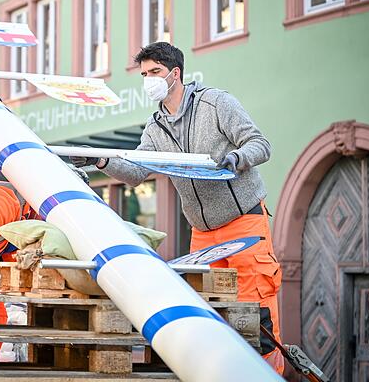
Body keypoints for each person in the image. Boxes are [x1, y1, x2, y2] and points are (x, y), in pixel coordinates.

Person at [70, 42, 284, 374]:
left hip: (244, 224)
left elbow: (260, 144)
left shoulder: (216, 104)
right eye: (143, 74)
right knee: (203, 315)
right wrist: (101, 160)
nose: (148, 80)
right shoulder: (156, 128)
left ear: (175, 74)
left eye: (154, 72)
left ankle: (268, 374)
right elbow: (137, 171)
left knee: (256, 313)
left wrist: (237, 159)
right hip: (202, 233)